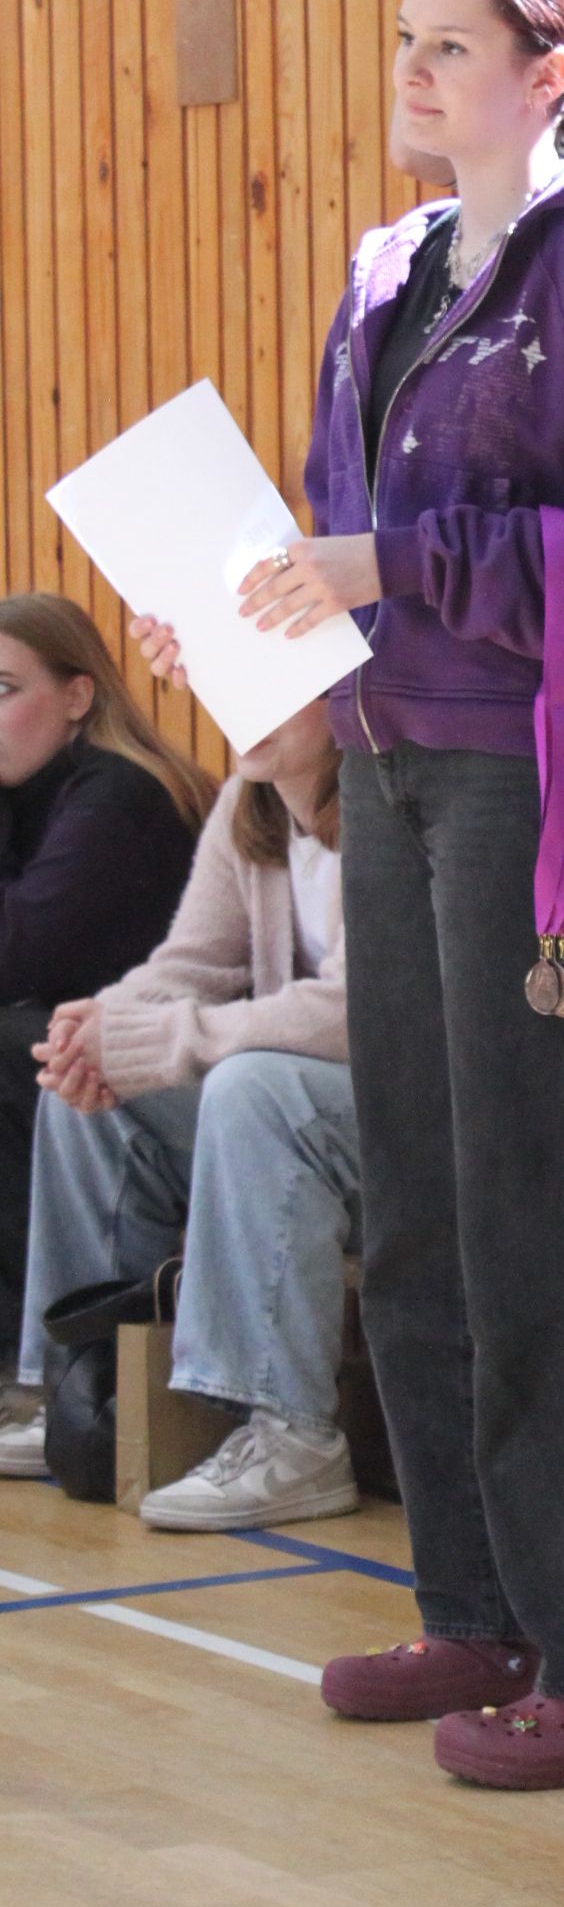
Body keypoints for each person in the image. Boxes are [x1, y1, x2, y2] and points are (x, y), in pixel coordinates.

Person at [181, 0, 564, 1790]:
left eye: (451, 45)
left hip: (537, 783)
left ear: (556, 73)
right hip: (398, 764)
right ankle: (479, 1609)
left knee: (544, 1206)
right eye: (406, 36)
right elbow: (337, 541)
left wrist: (388, 566)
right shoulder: (394, 262)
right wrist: (239, 612)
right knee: (417, 1200)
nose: (410, 72)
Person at [2, 698, 358, 1527]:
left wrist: (166, 1039)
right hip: (308, 1115)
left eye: (280, 687)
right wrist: (100, 1029)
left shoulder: (388, 799)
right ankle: (77, 1397)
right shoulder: (249, 801)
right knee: (94, 1090)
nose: (252, 705)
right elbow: (188, 965)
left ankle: (295, 1436)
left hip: (418, 1128)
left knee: (249, 1086)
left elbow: (360, 1012)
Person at [0, 591, 209, 1425]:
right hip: (116, 1071)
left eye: (3, 689)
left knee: (21, 1046)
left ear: (78, 695)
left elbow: (18, 954)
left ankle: (31, 1374)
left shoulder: (119, 796)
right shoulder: (28, 795)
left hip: (182, 1084)